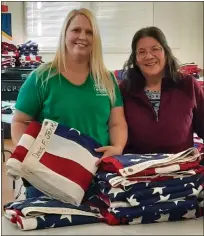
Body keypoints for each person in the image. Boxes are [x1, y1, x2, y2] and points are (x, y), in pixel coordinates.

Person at [11, 8, 127, 198]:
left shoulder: (107, 79)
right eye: (76, 30)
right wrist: (29, 156)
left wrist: (117, 147)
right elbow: (20, 121)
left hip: (97, 176)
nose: (82, 36)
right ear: (65, 33)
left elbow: (117, 122)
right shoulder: (41, 77)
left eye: (89, 32)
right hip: (47, 178)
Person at [119, 26, 204, 155]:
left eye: (155, 49)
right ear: (135, 59)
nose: (149, 56)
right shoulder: (124, 89)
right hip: (137, 171)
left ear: (166, 52)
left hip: (181, 170)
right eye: (141, 52)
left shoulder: (188, 85)